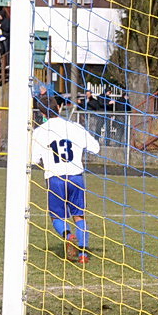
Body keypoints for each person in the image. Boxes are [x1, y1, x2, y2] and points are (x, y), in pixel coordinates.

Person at [31, 99, 101, 263]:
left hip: (55, 179)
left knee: (57, 217)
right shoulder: (75, 127)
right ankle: (83, 255)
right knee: (79, 216)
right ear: (60, 107)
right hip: (76, 177)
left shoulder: (40, 131)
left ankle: (68, 236)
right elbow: (96, 148)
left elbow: (34, 159)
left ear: (41, 114)